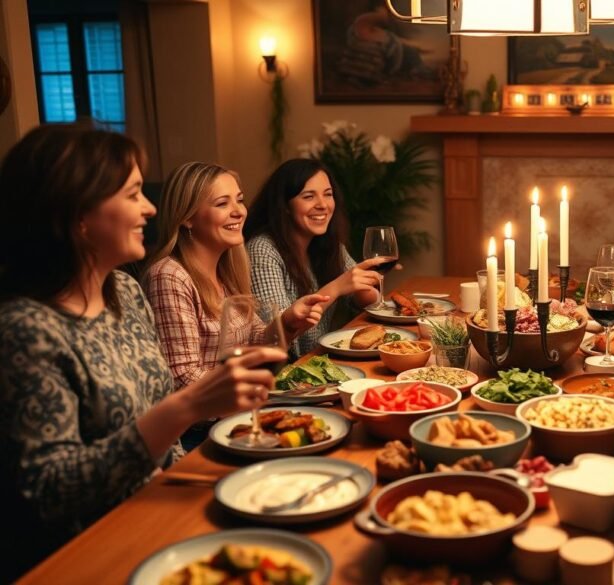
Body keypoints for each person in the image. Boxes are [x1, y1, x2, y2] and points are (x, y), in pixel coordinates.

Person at [0, 125, 285, 581]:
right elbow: (50, 490)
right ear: (77, 215)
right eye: (133, 194)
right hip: (89, 551)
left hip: (159, 505)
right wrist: (185, 408)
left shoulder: (126, 292)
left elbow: (163, 437)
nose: (150, 208)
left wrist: (201, 481)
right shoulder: (26, 330)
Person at [145, 161, 327, 390]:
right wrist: (252, 387)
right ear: (187, 217)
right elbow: (182, 377)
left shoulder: (227, 270)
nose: (239, 211)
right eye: (222, 203)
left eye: (239, 200)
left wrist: (287, 323)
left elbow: (256, 340)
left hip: (243, 400)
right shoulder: (169, 276)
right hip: (213, 411)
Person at [244, 158, 385, 357]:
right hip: (288, 369)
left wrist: (366, 288)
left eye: (328, 194)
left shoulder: (328, 244)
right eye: (309, 196)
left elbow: (370, 301)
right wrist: (337, 287)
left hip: (320, 359)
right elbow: (275, 337)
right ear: (285, 205)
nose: (323, 205)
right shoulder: (262, 250)